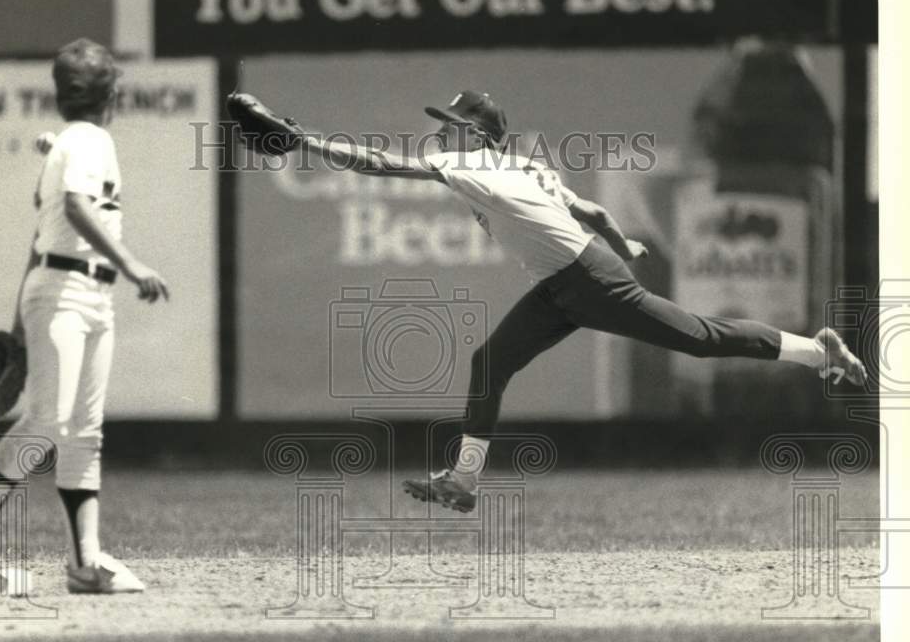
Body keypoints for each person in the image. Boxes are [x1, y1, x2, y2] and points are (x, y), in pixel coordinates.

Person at [299, 89, 867, 513]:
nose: (444, 134)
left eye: (453, 125)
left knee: (698, 338)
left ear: (479, 135)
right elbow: (591, 213)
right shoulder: (523, 166)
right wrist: (626, 242)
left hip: (590, 281)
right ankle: (465, 480)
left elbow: (387, 165)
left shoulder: (472, 164)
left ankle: (817, 351)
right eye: (446, 125)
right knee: (490, 363)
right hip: (565, 280)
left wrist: (306, 143)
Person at [0, 38, 170, 592]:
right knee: (48, 422)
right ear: (112, 93)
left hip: (80, 294)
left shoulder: (71, 144)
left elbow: (42, 230)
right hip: (67, 291)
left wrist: (23, 318)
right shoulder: (89, 140)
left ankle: (84, 563)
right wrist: (132, 261)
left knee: (84, 433)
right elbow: (74, 208)